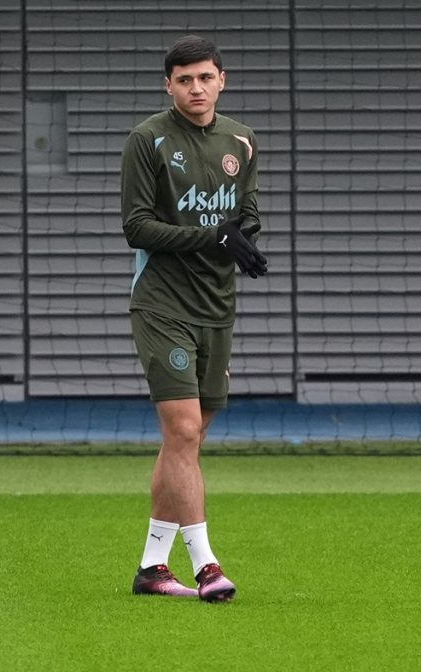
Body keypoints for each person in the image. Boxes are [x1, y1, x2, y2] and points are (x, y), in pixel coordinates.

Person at [120, 34, 267, 602]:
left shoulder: (242, 140)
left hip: (216, 306)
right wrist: (214, 236)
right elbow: (136, 226)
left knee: (187, 441)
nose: (196, 88)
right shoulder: (147, 140)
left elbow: (245, 210)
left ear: (221, 80)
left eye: (206, 77)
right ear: (169, 85)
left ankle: (152, 567)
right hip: (161, 302)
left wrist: (243, 239)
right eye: (185, 80)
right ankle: (206, 565)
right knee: (182, 430)